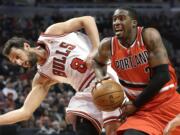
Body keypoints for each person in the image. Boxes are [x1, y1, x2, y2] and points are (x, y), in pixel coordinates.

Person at [1, 16, 121, 135]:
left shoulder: (51, 34)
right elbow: (25, 112)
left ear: (26, 46)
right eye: (15, 62)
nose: (19, 62)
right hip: (88, 92)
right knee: (83, 128)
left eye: (17, 56)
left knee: (113, 129)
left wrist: (96, 48)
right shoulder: (42, 78)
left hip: (105, 73)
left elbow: (87, 20)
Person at [92, 7, 180, 135]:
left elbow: (163, 76)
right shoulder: (107, 45)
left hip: (167, 102)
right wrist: (100, 78)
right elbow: (97, 62)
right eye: (114, 19)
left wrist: (135, 105)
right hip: (143, 112)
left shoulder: (148, 36)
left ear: (133, 23)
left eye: (121, 18)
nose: (116, 22)